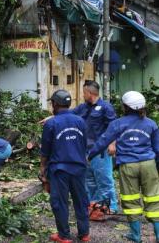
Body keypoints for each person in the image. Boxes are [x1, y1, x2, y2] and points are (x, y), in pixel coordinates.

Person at [88, 91, 159, 243]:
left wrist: (89, 156)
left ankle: (135, 235)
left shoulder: (118, 123)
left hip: (128, 166)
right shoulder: (151, 124)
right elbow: (157, 149)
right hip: (148, 165)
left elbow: (102, 141)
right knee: (153, 199)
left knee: (131, 199)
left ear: (125, 107)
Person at [41, 80, 118, 217]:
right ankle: (94, 206)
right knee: (89, 180)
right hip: (85, 150)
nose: (83, 95)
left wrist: (112, 144)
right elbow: (66, 112)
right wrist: (51, 117)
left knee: (104, 179)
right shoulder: (83, 108)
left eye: (84, 92)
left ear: (90, 92)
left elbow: (113, 127)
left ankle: (110, 206)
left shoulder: (106, 107)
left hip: (100, 151)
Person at [40, 89, 89, 243]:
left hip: (59, 170)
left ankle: (64, 236)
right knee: (80, 200)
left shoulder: (51, 123)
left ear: (55, 103)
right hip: (79, 168)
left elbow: (45, 150)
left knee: (60, 202)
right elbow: (84, 145)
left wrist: (43, 170)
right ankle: (84, 233)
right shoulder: (80, 121)